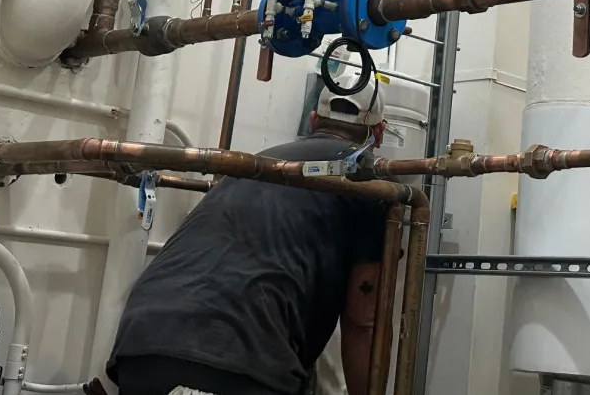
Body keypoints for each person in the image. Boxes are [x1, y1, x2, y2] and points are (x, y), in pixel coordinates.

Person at [105, 83, 390, 395]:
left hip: (143, 344)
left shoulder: (261, 162)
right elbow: (363, 324)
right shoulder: (371, 182)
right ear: (378, 133)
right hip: (237, 355)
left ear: (312, 121)